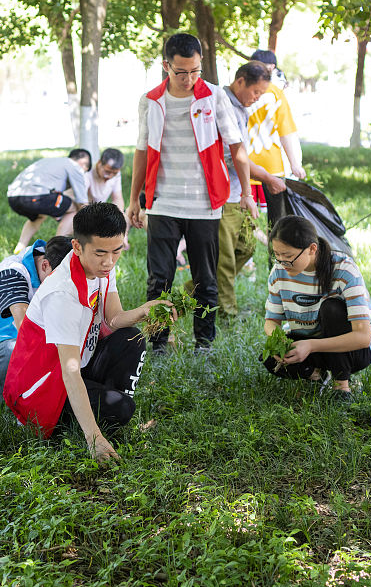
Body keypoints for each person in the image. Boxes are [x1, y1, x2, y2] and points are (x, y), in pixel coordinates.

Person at [4, 203, 168, 462]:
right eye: (101, 253)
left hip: (74, 368)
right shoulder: (62, 292)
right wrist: (94, 438)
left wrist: (145, 310)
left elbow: (113, 319)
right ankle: (89, 423)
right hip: (41, 391)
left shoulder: (102, 268)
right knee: (122, 408)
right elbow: (68, 371)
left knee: (131, 338)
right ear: (77, 247)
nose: (109, 261)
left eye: (117, 251)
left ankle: (100, 409)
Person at [126, 33, 258, 352]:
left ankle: (204, 343)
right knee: (159, 279)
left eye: (195, 71)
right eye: (181, 72)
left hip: (204, 205)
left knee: (205, 279)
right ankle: (157, 343)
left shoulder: (212, 96)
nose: (189, 79)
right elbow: (142, 150)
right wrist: (134, 199)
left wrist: (247, 194)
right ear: (165, 66)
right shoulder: (151, 100)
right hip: (162, 203)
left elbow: (237, 146)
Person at [263, 215, 371, 402]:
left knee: (331, 308)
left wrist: (310, 346)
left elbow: (363, 337)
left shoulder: (344, 269)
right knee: (269, 358)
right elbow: (271, 322)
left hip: (354, 350)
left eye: (288, 257)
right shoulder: (278, 272)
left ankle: (342, 386)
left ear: (312, 249)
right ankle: (315, 376)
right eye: (277, 255)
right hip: (311, 343)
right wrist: (280, 343)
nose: (282, 263)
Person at [0, 236, 74, 401]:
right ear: (45, 265)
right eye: (63, 282)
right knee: (13, 350)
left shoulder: (55, 266)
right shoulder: (11, 272)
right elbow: (25, 328)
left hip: (35, 344)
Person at [216, 62, 280, 318]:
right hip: (222, 196)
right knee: (226, 259)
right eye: (255, 93)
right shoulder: (223, 105)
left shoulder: (240, 108)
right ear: (240, 81)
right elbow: (232, 156)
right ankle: (228, 315)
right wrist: (266, 178)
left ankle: (194, 291)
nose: (256, 100)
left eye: (261, 95)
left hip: (238, 193)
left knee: (247, 246)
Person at [248, 49, 306, 242]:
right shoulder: (276, 94)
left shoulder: (238, 90)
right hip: (271, 167)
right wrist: (295, 164)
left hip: (243, 165)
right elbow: (285, 132)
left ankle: (248, 261)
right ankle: (277, 259)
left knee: (243, 218)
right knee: (277, 221)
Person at [7, 149, 92, 253]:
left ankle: (20, 247)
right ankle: (57, 249)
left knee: (39, 216)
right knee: (75, 209)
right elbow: (82, 203)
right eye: (85, 172)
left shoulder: (52, 161)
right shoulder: (75, 167)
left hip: (13, 197)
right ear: (83, 164)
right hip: (38, 196)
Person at [86, 148, 129, 249]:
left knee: (126, 215)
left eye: (114, 173)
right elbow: (81, 203)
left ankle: (121, 240)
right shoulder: (87, 173)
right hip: (85, 210)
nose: (110, 176)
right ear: (99, 163)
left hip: (101, 209)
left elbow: (118, 198)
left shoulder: (115, 175)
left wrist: (119, 217)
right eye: (107, 172)